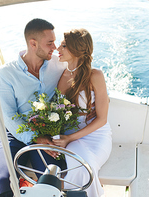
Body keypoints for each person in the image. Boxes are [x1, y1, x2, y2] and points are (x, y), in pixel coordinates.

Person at [0, 18, 66, 197]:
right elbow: (9, 115)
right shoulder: (6, 74)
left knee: (52, 180)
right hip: (15, 132)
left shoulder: (58, 63)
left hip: (46, 131)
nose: (55, 47)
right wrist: (35, 138)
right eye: (50, 43)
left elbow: (81, 66)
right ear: (32, 43)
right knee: (5, 182)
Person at [53, 28, 112, 197]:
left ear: (76, 49)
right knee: (82, 167)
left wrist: (69, 139)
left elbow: (101, 119)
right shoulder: (60, 75)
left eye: (63, 46)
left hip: (96, 135)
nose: (58, 49)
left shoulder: (95, 75)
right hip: (69, 135)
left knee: (83, 166)